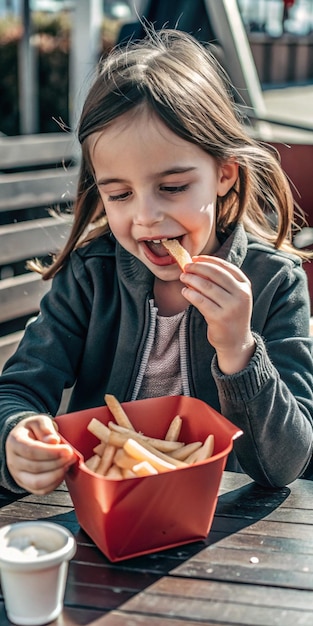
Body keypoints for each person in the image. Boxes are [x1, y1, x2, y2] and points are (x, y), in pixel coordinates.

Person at [0, 28, 312, 495]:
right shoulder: (91, 276)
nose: (146, 216)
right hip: (102, 518)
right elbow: (18, 390)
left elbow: (288, 464)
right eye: (120, 194)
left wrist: (239, 352)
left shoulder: (274, 283)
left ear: (224, 173)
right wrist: (16, 437)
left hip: (224, 533)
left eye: (172, 187)